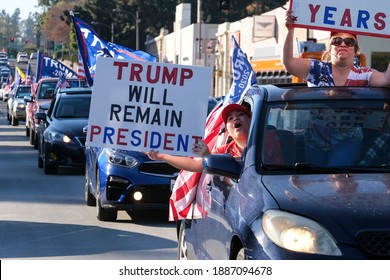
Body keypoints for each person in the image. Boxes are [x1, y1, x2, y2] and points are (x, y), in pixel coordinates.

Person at [282, 9, 390, 87]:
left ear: (355, 49)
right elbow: (289, 63)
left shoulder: (364, 74)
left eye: (349, 42)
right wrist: (290, 30)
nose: (343, 45)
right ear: (330, 48)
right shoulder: (316, 69)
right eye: (337, 41)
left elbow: (386, 79)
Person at [145, 103, 252, 172]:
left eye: (241, 114)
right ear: (227, 131)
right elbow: (196, 164)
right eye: (230, 118)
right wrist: (162, 156)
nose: (235, 118)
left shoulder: (267, 144)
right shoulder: (224, 151)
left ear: (252, 121)